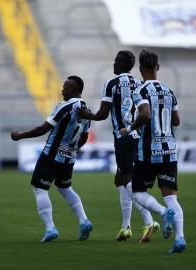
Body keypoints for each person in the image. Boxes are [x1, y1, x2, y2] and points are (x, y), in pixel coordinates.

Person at [77, 50, 159, 243]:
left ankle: (149, 221)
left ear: (122, 64)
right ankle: (126, 227)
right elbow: (146, 112)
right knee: (119, 180)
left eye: (116, 61)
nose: (113, 64)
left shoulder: (111, 84)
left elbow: (103, 114)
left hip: (123, 138)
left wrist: (86, 114)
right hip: (139, 138)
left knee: (127, 181)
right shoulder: (140, 84)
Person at [10, 75, 93, 243]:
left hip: (52, 154)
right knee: (65, 188)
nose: (62, 89)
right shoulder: (86, 110)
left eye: (66, 87)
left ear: (76, 90)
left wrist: (20, 135)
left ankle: (50, 229)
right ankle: (84, 221)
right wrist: (72, 150)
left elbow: (43, 129)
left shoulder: (64, 107)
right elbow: (84, 137)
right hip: (69, 157)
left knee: (39, 188)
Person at [120, 49, 186, 253]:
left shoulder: (140, 90)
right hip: (170, 151)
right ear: (157, 67)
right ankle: (180, 239)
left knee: (137, 192)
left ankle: (162, 213)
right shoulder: (169, 90)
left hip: (149, 152)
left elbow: (145, 113)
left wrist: (129, 128)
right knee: (171, 196)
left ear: (140, 69)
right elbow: (176, 121)